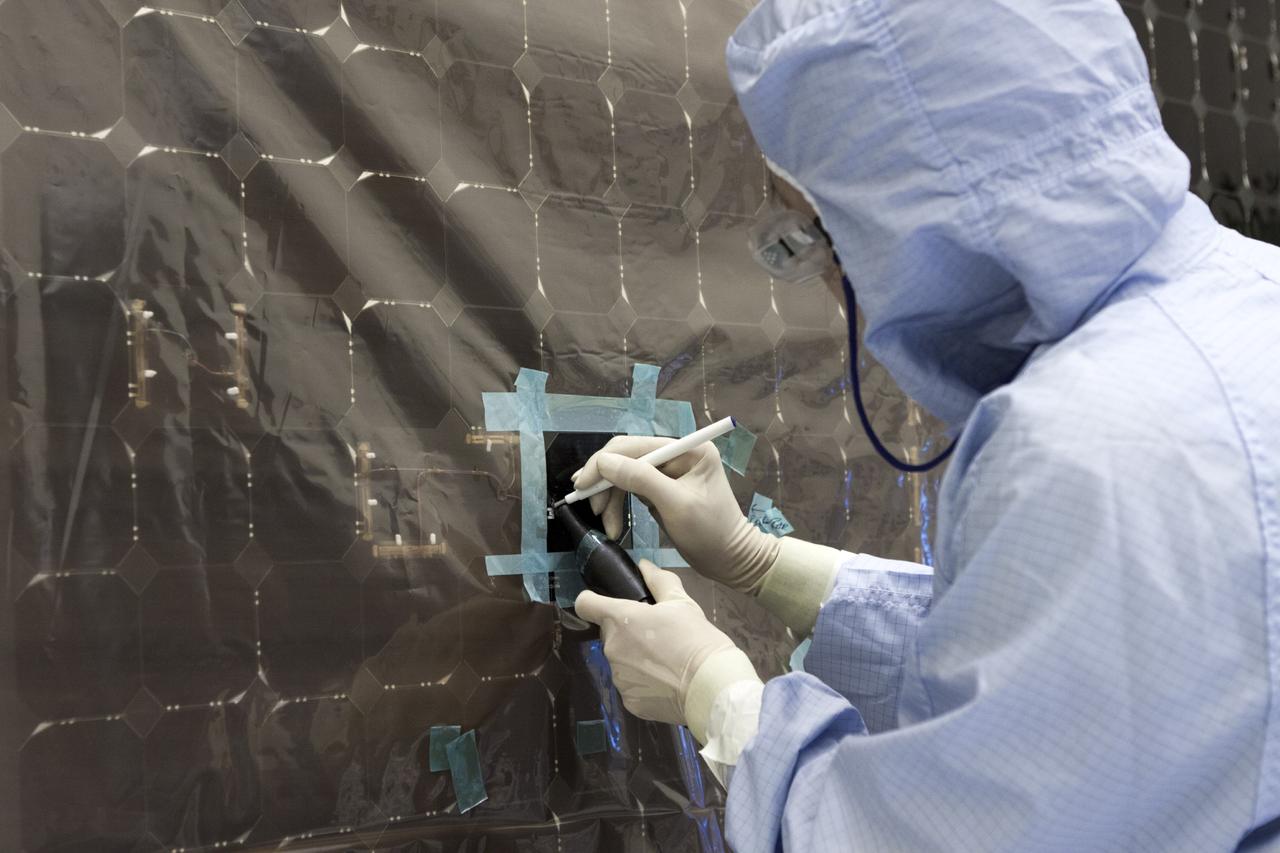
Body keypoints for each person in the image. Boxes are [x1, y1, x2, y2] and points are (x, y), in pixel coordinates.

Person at [571, 0, 1280, 850]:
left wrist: (716, 694)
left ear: (916, 219)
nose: (829, 279)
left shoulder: (1088, 445)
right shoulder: (1243, 301)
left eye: (812, 235)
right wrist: (764, 564)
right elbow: (1063, 675)